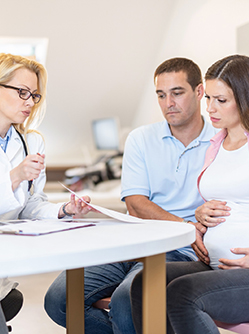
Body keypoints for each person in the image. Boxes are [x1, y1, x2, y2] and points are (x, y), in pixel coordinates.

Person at [44, 57, 216, 334]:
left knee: (127, 301)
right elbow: (135, 204)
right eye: (161, 95)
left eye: (177, 93)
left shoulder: (222, 140)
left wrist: (185, 232)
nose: (168, 103)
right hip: (133, 239)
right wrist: (183, 224)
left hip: (182, 250)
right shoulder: (141, 138)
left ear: (199, 92)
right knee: (60, 301)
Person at [131, 54, 249, 334]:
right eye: (208, 98)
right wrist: (201, 212)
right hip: (215, 265)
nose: (210, 108)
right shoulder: (216, 143)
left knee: (183, 294)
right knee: (145, 284)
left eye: (221, 100)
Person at [0, 53, 92, 333]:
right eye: (22, 92)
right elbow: (13, 187)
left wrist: (64, 210)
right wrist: (14, 176)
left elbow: (31, 206)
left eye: (35, 95)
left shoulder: (31, 142)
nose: (29, 102)